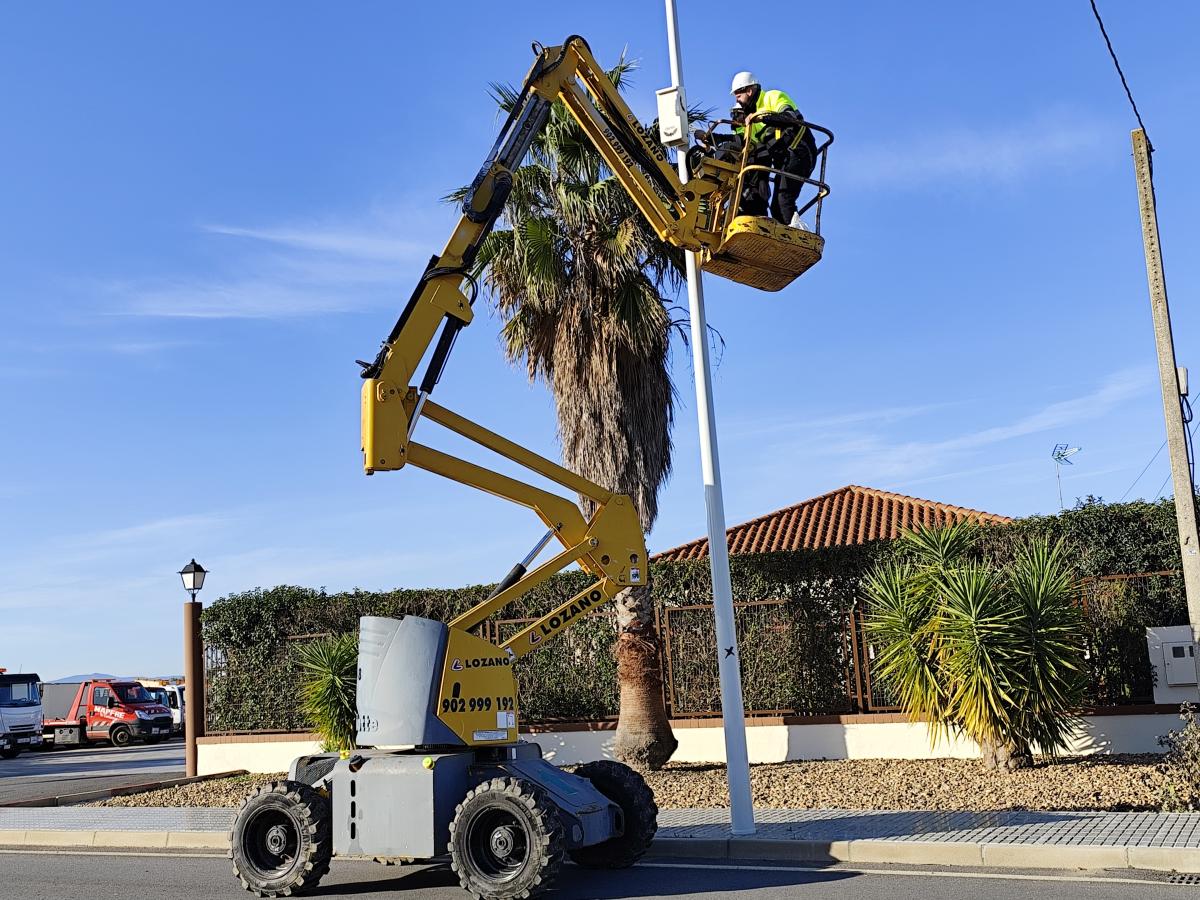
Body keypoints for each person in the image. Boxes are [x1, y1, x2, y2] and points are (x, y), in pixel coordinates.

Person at [723, 71, 818, 226]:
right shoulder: (751, 120)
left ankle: (796, 236)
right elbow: (744, 142)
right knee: (777, 208)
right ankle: (785, 238)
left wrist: (764, 117)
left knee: (783, 200)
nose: (736, 98)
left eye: (739, 93)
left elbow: (790, 117)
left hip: (800, 150)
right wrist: (711, 138)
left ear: (749, 90)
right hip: (784, 160)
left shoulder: (772, 97)